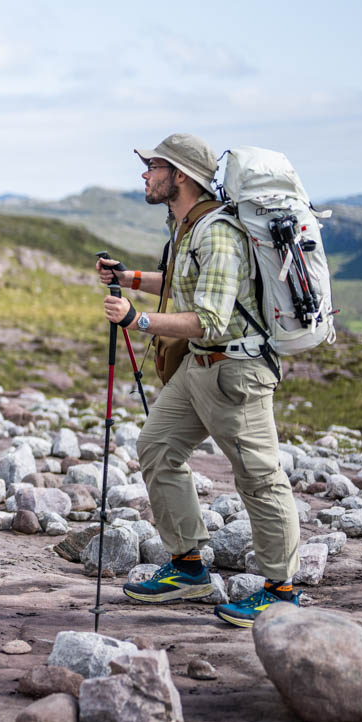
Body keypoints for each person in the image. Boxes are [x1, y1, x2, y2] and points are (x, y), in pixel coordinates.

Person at [96, 132, 300, 628]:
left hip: (236, 370)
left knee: (259, 478)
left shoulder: (217, 233)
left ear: (180, 175)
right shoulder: (187, 225)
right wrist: (132, 280)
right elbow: (185, 284)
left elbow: (208, 318)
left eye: (153, 167)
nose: (145, 174)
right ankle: (188, 568)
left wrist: (136, 321)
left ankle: (282, 592)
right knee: (157, 447)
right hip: (199, 368)